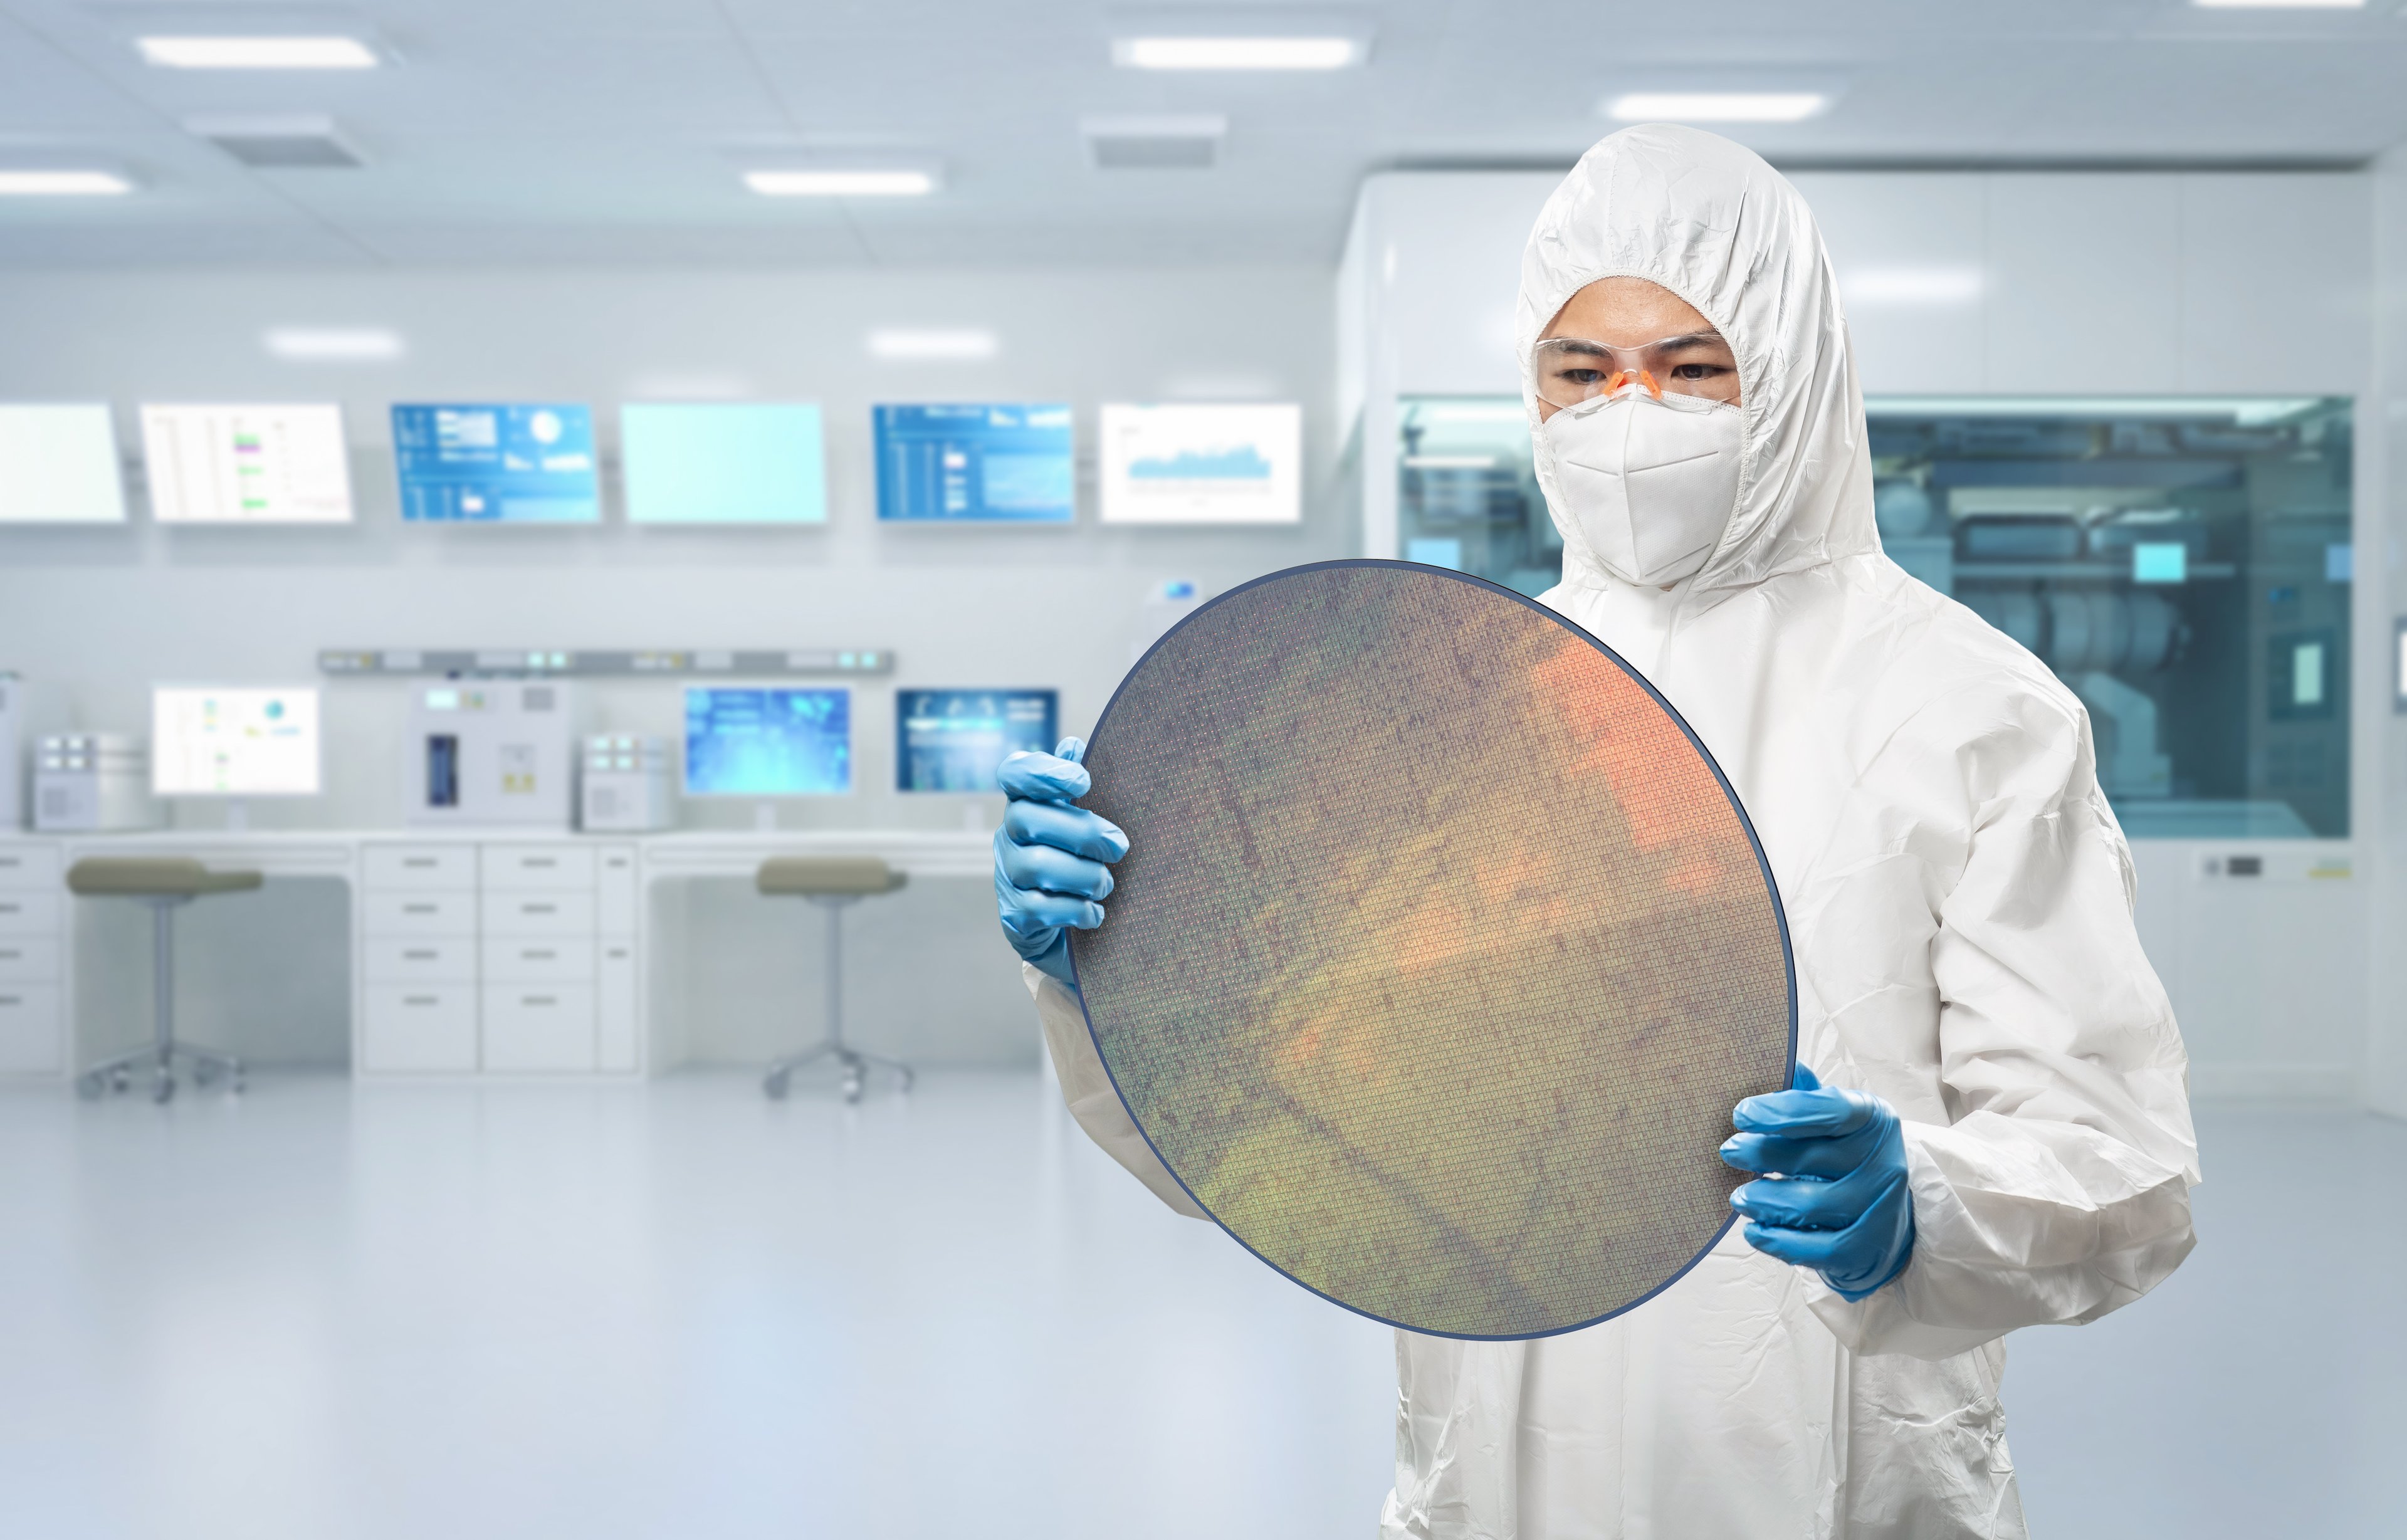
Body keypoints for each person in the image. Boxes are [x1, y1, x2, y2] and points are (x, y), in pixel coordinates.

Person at [992, 123, 2200, 1539]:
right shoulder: (1451, 696)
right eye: (1584, 371)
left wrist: (1920, 1204)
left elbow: (2120, 1161)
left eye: (1693, 367)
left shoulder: (1973, 705)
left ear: (1795, 371)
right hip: (1498, 1467)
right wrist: (1114, 975)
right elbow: (1289, 1140)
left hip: (1835, 1475)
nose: (1634, 415)